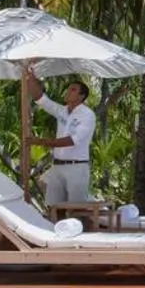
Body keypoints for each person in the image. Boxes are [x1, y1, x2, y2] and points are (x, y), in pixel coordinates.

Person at [27, 73, 96, 205]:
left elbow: (71, 141)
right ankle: (55, 226)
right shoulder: (62, 111)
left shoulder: (87, 115)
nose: (68, 91)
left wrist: (40, 141)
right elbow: (41, 98)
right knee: (54, 207)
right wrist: (29, 77)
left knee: (76, 208)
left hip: (76, 167)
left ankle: (78, 226)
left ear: (81, 96)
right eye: (68, 88)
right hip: (57, 166)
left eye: (73, 89)